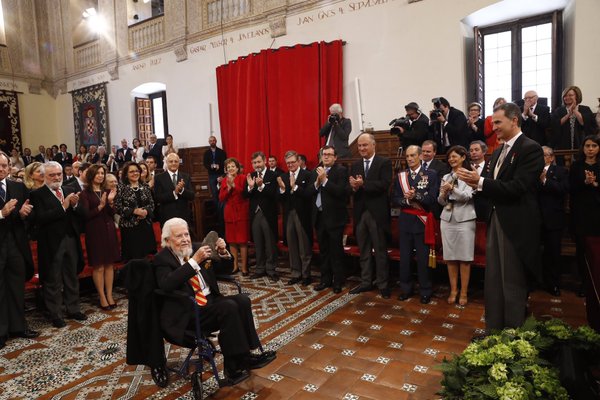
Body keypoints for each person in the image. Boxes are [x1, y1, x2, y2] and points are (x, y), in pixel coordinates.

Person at [153, 218, 276, 384]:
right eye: (179, 236)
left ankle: (246, 355)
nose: (185, 239)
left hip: (210, 303)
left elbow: (223, 269)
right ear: (167, 241)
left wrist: (224, 252)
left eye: (186, 234)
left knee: (242, 300)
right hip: (189, 311)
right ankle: (232, 368)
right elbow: (166, 284)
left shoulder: (196, 248)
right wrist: (194, 262)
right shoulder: (163, 259)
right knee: (228, 307)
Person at [457, 102, 544, 333]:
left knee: (512, 281)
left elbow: (518, 187)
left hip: (516, 223)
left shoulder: (530, 148)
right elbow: (488, 185)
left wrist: (481, 182)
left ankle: (512, 334)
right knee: (494, 278)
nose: (493, 127)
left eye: (497, 122)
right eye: (492, 122)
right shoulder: (496, 152)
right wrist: (473, 182)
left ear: (514, 120)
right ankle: (493, 330)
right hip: (496, 218)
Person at [30, 161, 88, 328]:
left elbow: (82, 214)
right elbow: (40, 218)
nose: (56, 178)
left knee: (71, 276)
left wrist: (76, 205)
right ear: (44, 177)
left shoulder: (69, 190)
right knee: (53, 279)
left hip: (70, 239)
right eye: (52, 175)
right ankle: (55, 313)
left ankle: (73, 308)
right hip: (51, 243)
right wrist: (63, 206)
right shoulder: (37, 195)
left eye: (59, 174)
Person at [0, 151, 39, 349]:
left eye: (4, 165)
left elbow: (30, 216)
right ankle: (1, 331)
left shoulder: (18, 186)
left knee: (16, 286)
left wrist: (24, 214)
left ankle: (18, 326)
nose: (1, 169)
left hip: (15, 244)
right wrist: (1, 213)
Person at [392, 145, 439, 304]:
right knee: (405, 258)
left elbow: (432, 199)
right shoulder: (401, 176)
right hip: (405, 221)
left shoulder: (431, 175)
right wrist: (406, 200)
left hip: (422, 222)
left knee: (423, 259)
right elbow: (395, 199)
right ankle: (406, 289)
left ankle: (425, 290)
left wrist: (416, 196)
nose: (410, 159)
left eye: (413, 155)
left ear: (420, 156)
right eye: (407, 156)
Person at [349, 133, 392, 298]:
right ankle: (366, 282)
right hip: (360, 213)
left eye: (365, 145)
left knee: (380, 251)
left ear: (374, 145)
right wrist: (353, 187)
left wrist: (364, 184)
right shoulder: (355, 165)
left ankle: (383, 284)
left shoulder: (384, 162)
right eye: (359, 146)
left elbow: (384, 185)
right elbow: (352, 188)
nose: (361, 148)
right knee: (364, 250)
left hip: (377, 214)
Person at [308, 146, 350, 293]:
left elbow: (342, 192)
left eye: (329, 155)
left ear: (335, 157)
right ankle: (325, 279)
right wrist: (317, 183)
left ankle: (338, 281)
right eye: (323, 154)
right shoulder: (315, 171)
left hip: (335, 218)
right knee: (323, 251)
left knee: (336, 251)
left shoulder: (341, 171)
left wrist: (325, 181)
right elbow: (308, 192)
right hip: (319, 217)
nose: (326, 157)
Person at [438, 146, 476, 306]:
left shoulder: (470, 175)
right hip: (447, 218)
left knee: (465, 258)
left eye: (454, 156)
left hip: (465, 219)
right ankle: (453, 290)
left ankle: (464, 292)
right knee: (450, 258)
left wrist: (452, 188)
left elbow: (467, 196)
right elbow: (439, 201)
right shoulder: (446, 176)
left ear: (462, 157)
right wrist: (444, 193)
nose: (451, 160)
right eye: (449, 157)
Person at [79, 164, 120, 310]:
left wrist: (109, 202)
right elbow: (85, 216)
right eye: (98, 173)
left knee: (110, 265)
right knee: (99, 266)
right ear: (91, 175)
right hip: (94, 231)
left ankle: (109, 295)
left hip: (109, 230)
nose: (101, 176)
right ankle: (101, 296)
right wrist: (100, 206)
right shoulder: (85, 194)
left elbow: (112, 212)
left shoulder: (107, 191)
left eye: (102, 173)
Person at [568, 135, 600, 297]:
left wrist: (595, 184)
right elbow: (571, 189)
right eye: (587, 145)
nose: (590, 149)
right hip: (581, 214)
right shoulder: (576, 166)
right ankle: (584, 283)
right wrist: (585, 183)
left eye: (594, 145)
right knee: (582, 251)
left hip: (597, 214)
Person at [277, 151, 313, 286]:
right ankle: (296, 274)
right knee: (292, 246)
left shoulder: (307, 175)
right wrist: (281, 189)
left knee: (304, 247)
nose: (290, 165)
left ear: (298, 161)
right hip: (288, 215)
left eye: (292, 162)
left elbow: (309, 195)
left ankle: (306, 275)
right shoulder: (283, 177)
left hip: (302, 215)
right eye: (288, 163)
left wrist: (295, 187)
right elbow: (279, 199)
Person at [243, 152, 279, 281]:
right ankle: (260, 269)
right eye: (254, 163)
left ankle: (271, 269)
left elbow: (274, 195)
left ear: (264, 161)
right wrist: (251, 187)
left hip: (268, 214)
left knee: (270, 244)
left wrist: (261, 186)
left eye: (258, 162)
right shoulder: (250, 176)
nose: (256, 165)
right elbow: (245, 195)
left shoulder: (273, 175)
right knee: (257, 243)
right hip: (255, 214)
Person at [538, 146, 568, 296]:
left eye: (543, 155)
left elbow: (562, 189)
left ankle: (553, 284)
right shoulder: (530, 171)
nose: (540, 157)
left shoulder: (560, 171)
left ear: (551, 157)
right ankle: (536, 281)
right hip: (535, 219)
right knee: (534, 252)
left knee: (553, 253)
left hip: (553, 218)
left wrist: (544, 181)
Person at [114, 162, 157, 262]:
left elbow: (152, 204)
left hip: (145, 225)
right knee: (134, 258)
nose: (135, 173)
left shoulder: (145, 186)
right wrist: (134, 211)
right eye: (131, 171)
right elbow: (118, 207)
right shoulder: (120, 188)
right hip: (130, 228)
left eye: (137, 171)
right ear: (126, 174)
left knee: (146, 256)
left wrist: (145, 211)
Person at [219, 157, 250, 275]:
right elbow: (221, 198)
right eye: (228, 167)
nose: (231, 168)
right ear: (226, 169)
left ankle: (244, 267)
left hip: (241, 211)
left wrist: (234, 186)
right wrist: (229, 188)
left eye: (233, 166)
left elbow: (245, 194)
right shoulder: (224, 180)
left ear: (237, 168)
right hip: (229, 212)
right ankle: (234, 265)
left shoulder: (243, 178)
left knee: (242, 240)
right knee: (231, 241)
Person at [551, 85, 597, 150]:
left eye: (570, 95)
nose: (567, 97)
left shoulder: (585, 109)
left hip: (581, 142)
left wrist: (574, 111)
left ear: (577, 96)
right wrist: (568, 114)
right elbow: (556, 125)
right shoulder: (559, 110)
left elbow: (584, 123)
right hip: (563, 143)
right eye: (565, 96)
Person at [154, 153, 194, 226]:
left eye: (176, 161)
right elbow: (157, 198)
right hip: (167, 216)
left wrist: (182, 190)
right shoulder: (159, 178)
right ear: (166, 163)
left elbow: (192, 196)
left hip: (183, 216)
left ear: (179, 163)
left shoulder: (186, 176)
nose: (173, 163)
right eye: (171, 161)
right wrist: (174, 193)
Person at [203, 136, 227, 204]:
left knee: (222, 191)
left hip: (221, 174)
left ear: (216, 141)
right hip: (212, 175)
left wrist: (219, 165)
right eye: (210, 141)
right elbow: (205, 164)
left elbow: (225, 162)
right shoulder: (206, 153)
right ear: (209, 142)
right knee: (214, 192)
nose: (212, 142)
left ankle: (222, 209)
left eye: (213, 140)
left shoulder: (222, 152)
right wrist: (211, 166)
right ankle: (217, 209)